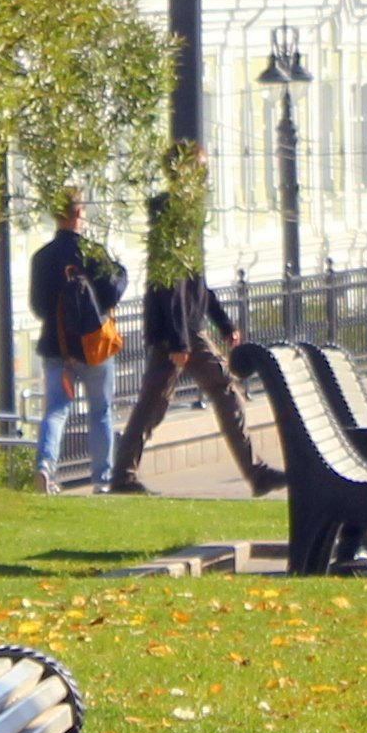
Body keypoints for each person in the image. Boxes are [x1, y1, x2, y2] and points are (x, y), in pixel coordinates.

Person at [112, 144, 281, 498]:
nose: (205, 177)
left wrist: (223, 322)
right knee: (223, 390)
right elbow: (167, 283)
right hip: (180, 332)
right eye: (200, 169)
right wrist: (178, 341)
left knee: (152, 406)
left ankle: (123, 477)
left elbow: (196, 282)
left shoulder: (186, 212)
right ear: (183, 171)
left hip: (184, 329)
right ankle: (257, 474)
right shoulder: (170, 213)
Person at [24, 189, 129, 494]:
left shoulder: (41, 258)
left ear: (57, 215)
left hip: (58, 348)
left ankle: (45, 467)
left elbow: (38, 306)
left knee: (56, 409)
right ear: (79, 213)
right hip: (94, 349)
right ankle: (102, 480)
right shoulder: (93, 253)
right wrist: (120, 273)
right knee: (101, 412)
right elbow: (112, 292)